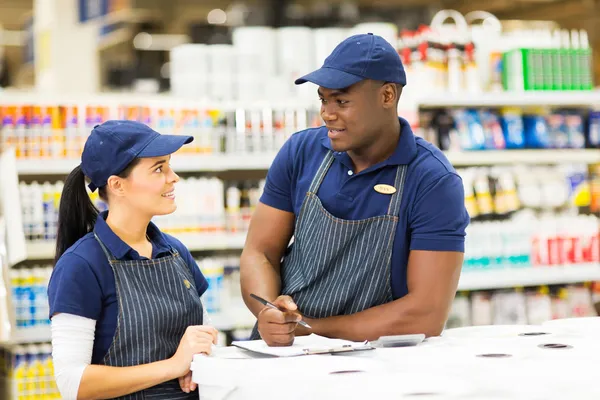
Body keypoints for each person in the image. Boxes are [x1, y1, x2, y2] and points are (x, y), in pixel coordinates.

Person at [240, 33, 470, 346]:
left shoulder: (431, 179)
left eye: (342, 101)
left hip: (378, 364)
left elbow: (425, 314)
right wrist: (269, 312)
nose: (327, 113)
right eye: (323, 99)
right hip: (286, 351)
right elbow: (259, 253)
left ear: (387, 96)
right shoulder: (301, 152)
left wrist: (313, 328)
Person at [47, 120, 218, 399]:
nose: (173, 177)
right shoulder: (81, 265)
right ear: (117, 185)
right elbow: (72, 382)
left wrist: (197, 361)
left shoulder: (175, 252)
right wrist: (174, 365)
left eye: (170, 166)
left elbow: (204, 332)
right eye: (159, 168)